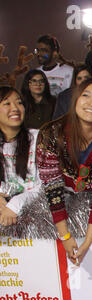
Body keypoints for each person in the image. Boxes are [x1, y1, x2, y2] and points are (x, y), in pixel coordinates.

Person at [36, 78, 92, 266]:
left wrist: (88, 242)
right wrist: (65, 236)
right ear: (75, 100)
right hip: (57, 210)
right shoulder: (51, 134)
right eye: (86, 96)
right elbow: (52, 189)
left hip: (91, 209)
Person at [0, 87, 41, 226]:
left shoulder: (39, 138)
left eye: (19, 103)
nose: (15, 108)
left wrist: (14, 206)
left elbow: (48, 184)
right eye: (7, 104)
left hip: (37, 220)